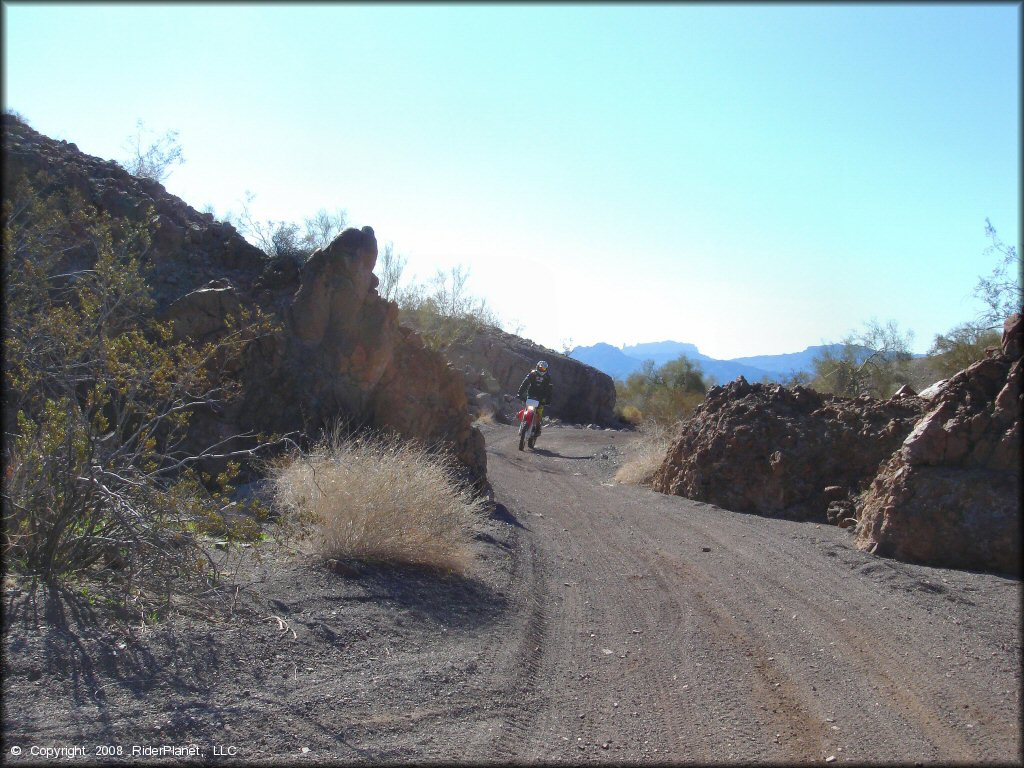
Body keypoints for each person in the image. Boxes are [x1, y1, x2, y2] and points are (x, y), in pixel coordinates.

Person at [516, 360, 553, 436]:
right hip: (530, 395)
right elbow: (525, 384)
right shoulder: (532, 374)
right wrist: (519, 393)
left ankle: (538, 428)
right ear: (537, 367)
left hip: (541, 397)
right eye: (541, 368)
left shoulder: (548, 377)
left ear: (546, 369)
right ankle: (523, 421)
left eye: (544, 369)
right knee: (526, 408)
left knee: (538, 412)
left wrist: (547, 400)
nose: (542, 370)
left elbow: (549, 390)